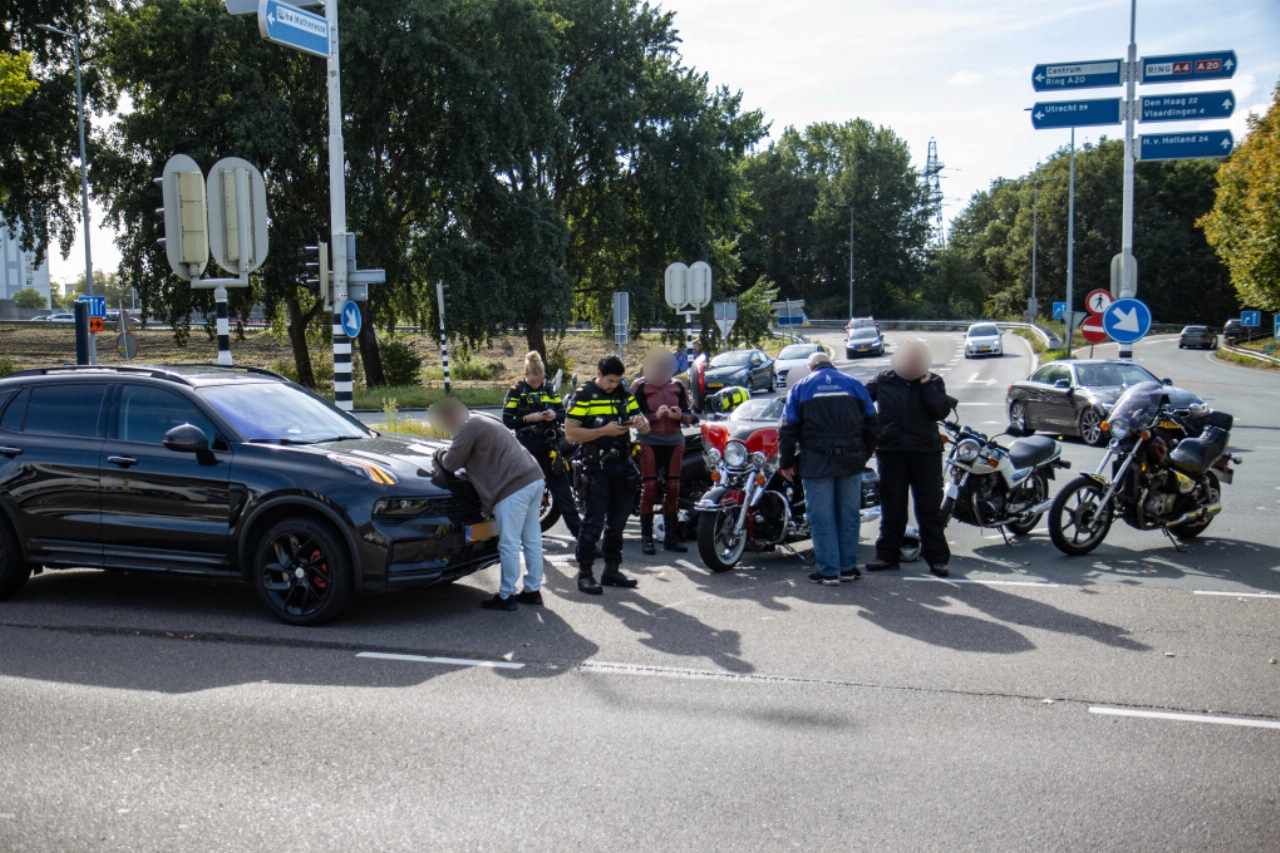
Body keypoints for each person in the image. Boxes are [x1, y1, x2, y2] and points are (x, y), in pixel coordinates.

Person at [429, 397, 546, 611]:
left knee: (509, 543)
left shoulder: (467, 427)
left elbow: (450, 463)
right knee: (532, 540)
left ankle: (507, 595)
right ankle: (532, 590)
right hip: (533, 477)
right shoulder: (484, 417)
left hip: (512, 487)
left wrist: (440, 452)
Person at [778, 351, 881, 585]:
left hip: (816, 461)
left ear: (810, 366)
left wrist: (786, 463)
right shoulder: (854, 385)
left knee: (822, 517)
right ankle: (848, 568)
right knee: (849, 515)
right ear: (830, 364)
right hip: (851, 460)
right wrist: (863, 453)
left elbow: (787, 429)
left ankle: (829, 572)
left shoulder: (800, 388)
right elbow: (874, 423)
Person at [866, 339, 957, 578]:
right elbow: (860, 401)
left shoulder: (934, 381)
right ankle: (887, 556)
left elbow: (941, 411)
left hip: (926, 453)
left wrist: (927, 386)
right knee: (892, 508)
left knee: (929, 510)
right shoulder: (883, 379)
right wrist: (871, 433)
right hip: (891, 452)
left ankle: (938, 560)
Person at [564, 355, 651, 595]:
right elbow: (571, 434)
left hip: (622, 464)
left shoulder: (623, 393)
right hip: (597, 466)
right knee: (593, 523)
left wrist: (639, 422)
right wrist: (604, 431)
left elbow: (646, 427)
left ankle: (612, 570)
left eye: (617, 380)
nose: (614, 385)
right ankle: (585, 574)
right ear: (599, 374)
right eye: (610, 380)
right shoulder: (584, 394)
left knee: (618, 522)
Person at [502, 351, 581, 538]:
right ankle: (516, 536)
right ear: (525, 375)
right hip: (527, 449)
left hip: (550, 449)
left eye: (540, 381)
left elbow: (564, 415)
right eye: (533, 382)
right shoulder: (516, 391)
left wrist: (554, 415)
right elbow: (507, 420)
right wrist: (527, 418)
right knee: (525, 498)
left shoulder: (549, 389)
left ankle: (583, 539)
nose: (537, 384)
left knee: (565, 496)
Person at [631, 349, 697, 554]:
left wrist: (680, 416)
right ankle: (646, 538)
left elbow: (690, 416)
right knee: (649, 486)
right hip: (649, 440)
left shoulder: (677, 385)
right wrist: (653, 417)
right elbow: (632, 416)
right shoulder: (640, 385)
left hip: (674, 440)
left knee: (673, 487)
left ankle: (671, 536)